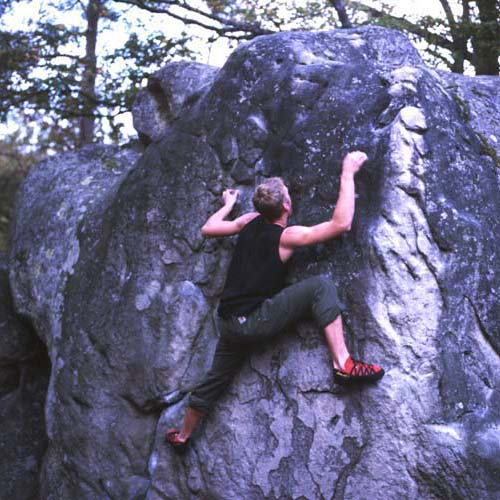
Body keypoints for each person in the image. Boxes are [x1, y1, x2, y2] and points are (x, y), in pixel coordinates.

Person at [166, 151, 384, 452]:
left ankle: (184, 434)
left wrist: (228, 205)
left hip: (228, 321)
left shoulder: (248, 221)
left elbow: (208, 229)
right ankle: (343, 363)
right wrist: (347, 172)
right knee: (320, 287)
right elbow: (340, 224)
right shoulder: (287, 236)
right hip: (253, 320)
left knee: (216, 378)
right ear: (286, 205)